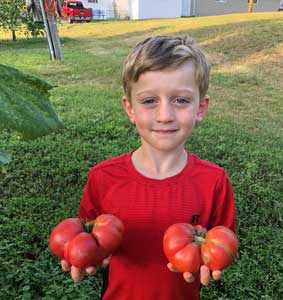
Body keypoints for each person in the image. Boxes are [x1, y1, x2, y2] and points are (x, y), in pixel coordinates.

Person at [61, 35, 236, 300]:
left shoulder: (214, 181)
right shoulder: (102, 178)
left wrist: (211, 262)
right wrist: (84, 257)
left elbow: (223, 243)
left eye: (181, 100)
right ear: (130, 109)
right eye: (149, 101)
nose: (165, 115)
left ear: (201, 108)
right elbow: (85, 236)